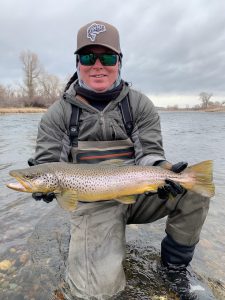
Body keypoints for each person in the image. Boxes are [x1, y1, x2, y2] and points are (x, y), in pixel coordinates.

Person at [29, 21, 214, 300]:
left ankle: (174, 268)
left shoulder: (139, 105)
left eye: (108, 57)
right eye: (89, 57)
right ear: (78, 63)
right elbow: (49, 159)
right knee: (95, 294)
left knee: (192, 186)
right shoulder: (58, 113)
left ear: (120, 61)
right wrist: (39, 181)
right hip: (92, 204)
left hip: (138, 189)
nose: (98, 65)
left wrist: (164, 171)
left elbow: (149, 152)